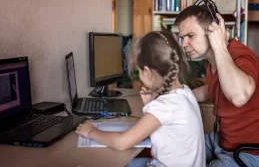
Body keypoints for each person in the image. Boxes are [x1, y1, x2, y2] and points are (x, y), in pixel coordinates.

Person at [174, 0, 259, 166]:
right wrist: (176, 94)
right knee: (177, 145)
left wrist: (219, 47)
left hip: (257, 153)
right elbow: (212, 88)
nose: (184, 44)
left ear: (213, 31)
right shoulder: (211, 60)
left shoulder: (241, 57)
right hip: (227, 142)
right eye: (183, 38)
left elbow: (239, 96)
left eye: (190, 36)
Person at [76, 31, 206, 167]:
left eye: (139, 71)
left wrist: (91, 131)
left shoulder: (164, 106)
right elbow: (168, 129)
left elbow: (122, 143)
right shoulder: (185, 92)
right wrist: (151, 104)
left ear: (148, 72)